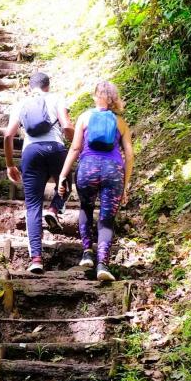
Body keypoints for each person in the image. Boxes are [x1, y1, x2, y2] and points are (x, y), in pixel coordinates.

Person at [58, 81, 134, 282]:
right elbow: (130, 155)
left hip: (87, 169)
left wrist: (63, 174)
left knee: (86, 208)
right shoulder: (120, 123)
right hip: (113, 172)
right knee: (107, 219)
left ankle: (87, 253)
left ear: (95, 96)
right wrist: (125, 185)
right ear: (113, 100)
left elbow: (75, 149)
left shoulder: (85, 117)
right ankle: (103, 264)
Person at [3, 72, 75, 274]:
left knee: (32, 205)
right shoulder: (56, 98)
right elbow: (67, 125)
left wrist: (10, 164)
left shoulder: (21, 103)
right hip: (55, 149)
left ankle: (36, 259)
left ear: (30, 87)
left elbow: (8, 134)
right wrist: (78, 146)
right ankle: (54, 209)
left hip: (31, 153)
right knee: (66, 183)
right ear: (48, 86)